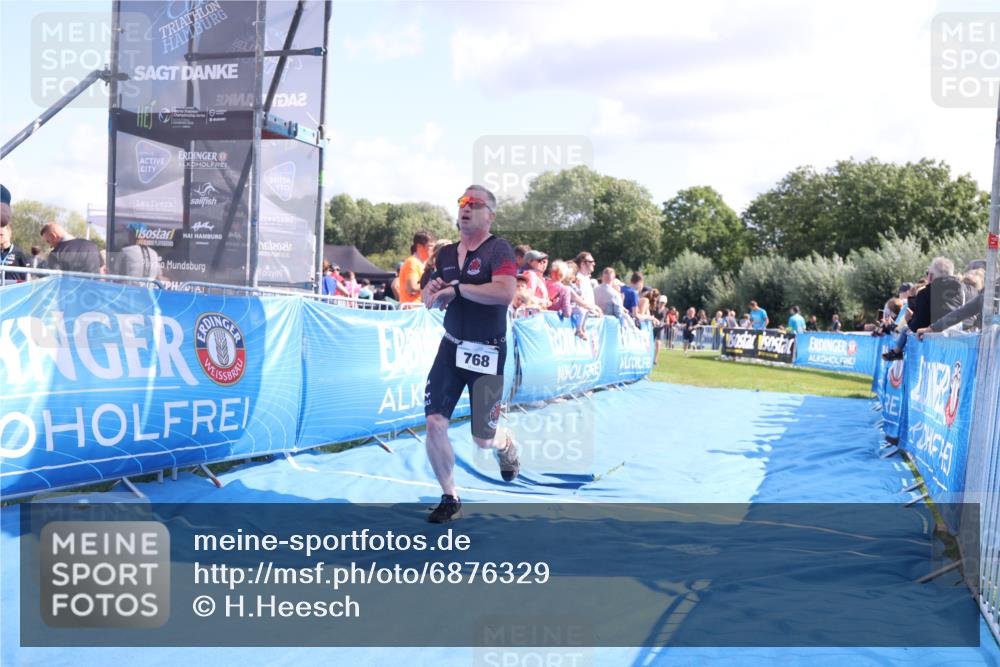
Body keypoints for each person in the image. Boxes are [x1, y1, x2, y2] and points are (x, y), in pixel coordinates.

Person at [421, 185, 520, 523]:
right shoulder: (445, 254)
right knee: (434, 423)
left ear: (489, 215)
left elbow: (505, 293)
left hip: (488, 351)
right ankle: (450, 497)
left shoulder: (499, 249)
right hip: (451, 347)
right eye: (462, 202)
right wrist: (434, 292)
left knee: (483, 439)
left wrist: (459, 290)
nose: (465, 208)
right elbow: (427, 295)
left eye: (474, 204)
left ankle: (505, 443)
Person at [398, 230, 433, 305]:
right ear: (419, 246)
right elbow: (411, 288)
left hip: (421, 309)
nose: (432, 249)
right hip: (412, 310)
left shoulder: (425, 263)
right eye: (430, 246)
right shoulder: (412, 262)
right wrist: (432, 286)